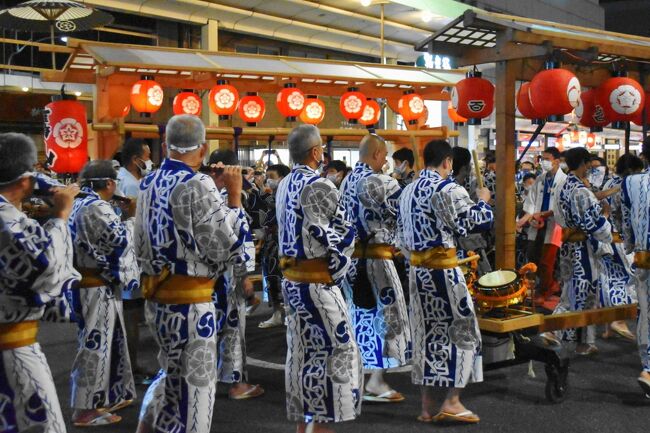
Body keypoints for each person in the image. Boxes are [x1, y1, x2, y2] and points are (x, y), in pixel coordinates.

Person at [135, 115, 249, 433]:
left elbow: (139, 241)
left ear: (164, 146)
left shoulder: (149, 182)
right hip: (190, 305)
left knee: (171, 373)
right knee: (195, 392)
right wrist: (235, 198)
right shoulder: (196, 184)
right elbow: (225, 246)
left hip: (157, 298)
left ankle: (146, 427)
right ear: (202, 149)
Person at [398, 139, 493, 424]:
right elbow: (476, 222)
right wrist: (483, 201)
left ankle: (427, 406)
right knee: (465, 333)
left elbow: (400, 239)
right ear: (448, 162)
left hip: (417, 273)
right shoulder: (447, 188)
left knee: (426, 336)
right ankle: (452, 401)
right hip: (443, 273)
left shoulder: (407, 191)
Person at [276, 124, 361, 433]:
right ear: (315, 152)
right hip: (315, 283)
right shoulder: (319, 185)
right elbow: (338, 234)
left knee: (301, 353)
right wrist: (340, 270)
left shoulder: (285, 182)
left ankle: (304, 425)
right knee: (337, 350)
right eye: (321, 148)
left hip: (292, 282)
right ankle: (322, 427)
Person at [0, 132, 80, 432]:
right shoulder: (7, 219)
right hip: (12, 348)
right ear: (23, 181)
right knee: (41, 423)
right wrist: (60, 215)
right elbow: (45, 268)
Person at [339, 134, 411, 403]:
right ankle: (377, 380)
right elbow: (402, 215)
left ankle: (357, 378)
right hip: (379, 259)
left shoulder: (346, 181)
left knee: (358, 318)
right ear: (379, 154)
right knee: (388, 316)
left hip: (352, 261)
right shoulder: (385, 182)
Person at [68, 160, 139, 426]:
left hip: (87, 283)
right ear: (109, 183)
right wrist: (131, 219)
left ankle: (105, 396)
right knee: (94, 346)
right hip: (95, 286)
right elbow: (119, 242)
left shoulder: (77, 203)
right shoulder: (97, 207)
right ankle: (85, 408)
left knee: (106, 343)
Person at [206, 149, 264, 400]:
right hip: (225, 275)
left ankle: (208, 379)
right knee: (231, 329)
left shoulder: (202, 192)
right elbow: (234, 242)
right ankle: (236, 383)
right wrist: (244, 279)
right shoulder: (225, 197)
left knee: (211, 330)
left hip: (203, 276)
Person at [555, 147, 612, 356]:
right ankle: (558, 333)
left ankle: (583, 341)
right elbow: (593, 224)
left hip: (568, 244)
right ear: (583, 163)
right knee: (582, 292)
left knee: (571, 289)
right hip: (582, 249)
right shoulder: (580, 190)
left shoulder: (563, 185)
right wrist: (605, 215)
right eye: (588, 163)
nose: (590, 167)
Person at [116, 137, 154, 385]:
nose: (149, 161)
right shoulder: (126, 183)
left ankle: (131, 364)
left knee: (134, 311)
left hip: (134, 252)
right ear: (135, 159)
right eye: (147, 156)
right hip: (128, 254)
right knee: (130, 312)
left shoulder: (133, 179)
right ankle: (130, 367)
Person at [598, 154, 644, 341]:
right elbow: (627, 215)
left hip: (606, 236)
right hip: (622, 239)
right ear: (632, 170)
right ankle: (619, 321)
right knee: (628, 279)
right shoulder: (630, 185)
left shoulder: (609, 183)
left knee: (611, 278)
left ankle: (611, 325)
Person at [517, 147, 566, 301]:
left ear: (557, 161)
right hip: (536, 223)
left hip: (554, 225)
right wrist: (529, 217)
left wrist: (544, 214)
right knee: (533, 256)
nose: (543, 162)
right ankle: (549, 285)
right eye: (542, 158)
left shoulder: (564, 181)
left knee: (547, 261)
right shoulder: (540, 179)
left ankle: (545, 290)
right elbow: (531, 202)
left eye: (547, 159)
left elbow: (560, 206)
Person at [621, 143, 650, 396]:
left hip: (644, 256)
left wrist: (632, 245)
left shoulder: (631, 183)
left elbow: (625, 217)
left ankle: (648, 367)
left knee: (647, 311)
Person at [259, 163, 291, 329]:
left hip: (284, 244)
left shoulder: (287, 196)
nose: (268, 180)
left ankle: (289, 313)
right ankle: (277, 313)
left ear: (283, 178)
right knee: (272, 279)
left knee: (284, 279)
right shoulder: (271, 195)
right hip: (270, 244)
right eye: (267, 176)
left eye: (271, 177)